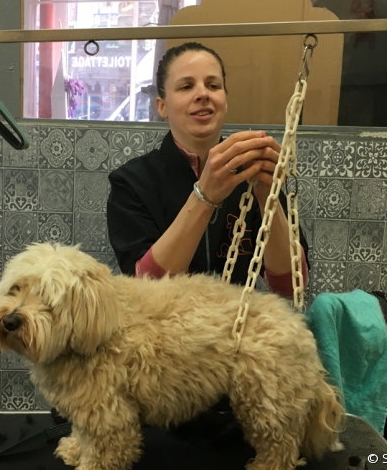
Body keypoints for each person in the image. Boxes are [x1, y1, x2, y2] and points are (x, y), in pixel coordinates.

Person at [107, 42, 309, 297]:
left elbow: (292, 286)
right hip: (163, 331)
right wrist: (205, 195)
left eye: (213, 85)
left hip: (235, 326)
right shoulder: (131, 183)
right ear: (162, 106)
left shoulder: (250, 171)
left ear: (225, 102)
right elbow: (146, 288)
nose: (203, 93)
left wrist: (268, 195)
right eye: (186, 86)